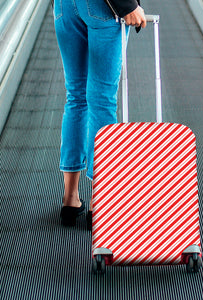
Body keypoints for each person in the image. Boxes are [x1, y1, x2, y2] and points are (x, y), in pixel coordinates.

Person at [53, 0, 146, 227]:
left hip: (64, 7)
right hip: (103, 8)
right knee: (101, 101)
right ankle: (100, 202)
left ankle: (70, 199)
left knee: (75, 97)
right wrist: (127, 5)